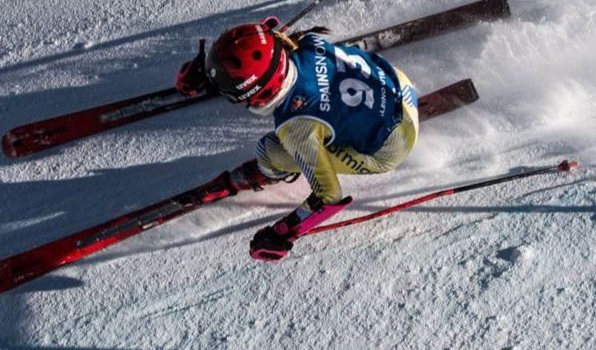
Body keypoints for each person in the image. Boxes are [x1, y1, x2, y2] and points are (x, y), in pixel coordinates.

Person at [175, 20, 420, 262]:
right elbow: (265, 42)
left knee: (270, 151)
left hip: (390, 148)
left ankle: (272, 172)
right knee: (330, 114)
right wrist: (213, 71)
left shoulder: (297, 128)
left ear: (258, 94)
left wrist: (284, 232)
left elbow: (329, 195)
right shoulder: (304, 43)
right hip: (397, 83)